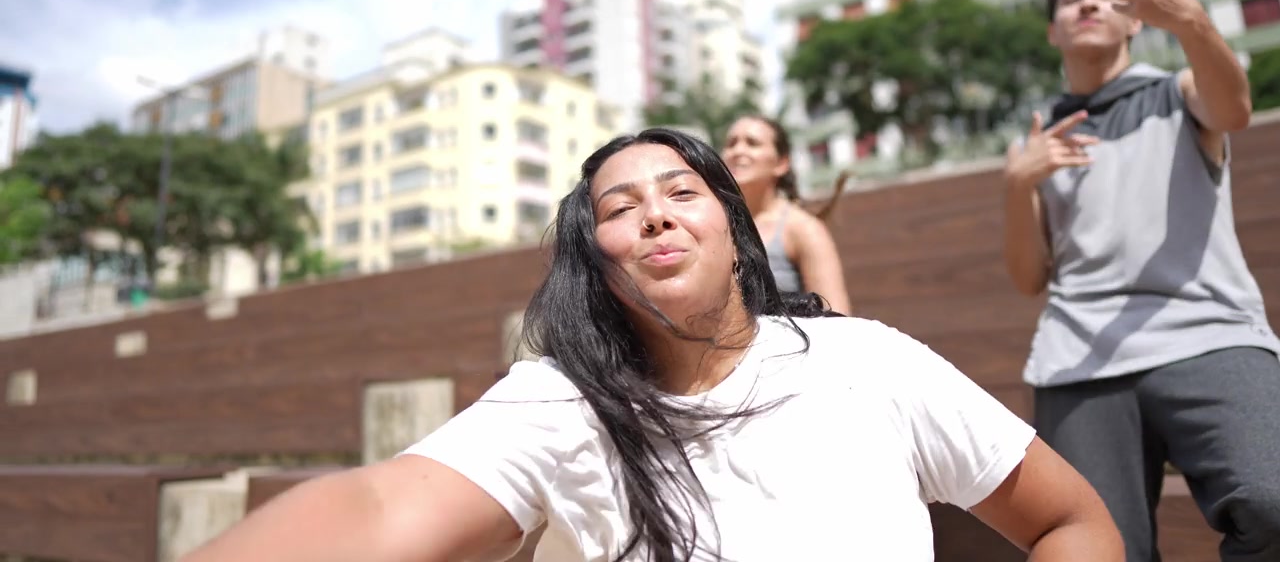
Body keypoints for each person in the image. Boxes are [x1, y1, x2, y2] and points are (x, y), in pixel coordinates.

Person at [184, 128, 1119, 562]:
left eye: (681, 193)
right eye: (620, 209)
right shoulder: (558, 399)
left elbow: (1072, 523)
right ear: (596, 263)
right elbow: (379, 507)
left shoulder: (868, 363)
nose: (656, 217)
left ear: (737, 232)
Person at [1003, 0, 1280, 561]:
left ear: (1135, 20)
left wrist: (1191, 20)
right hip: (1081, 358)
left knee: (1272, 501)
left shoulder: (1179, 91)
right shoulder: (1037, 139)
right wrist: (1018, 185)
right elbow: (1027, 278)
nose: (1088, 3)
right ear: (1052, 32)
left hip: (1208, 333)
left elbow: (1235, 109)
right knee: (1098, 549)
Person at [722, 115, 852, 314]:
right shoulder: (712, 223)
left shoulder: (803, 229)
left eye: (752, 143)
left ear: (781, 164)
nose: (738, 151)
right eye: (731, 143)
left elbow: (837, 315)